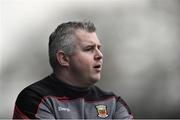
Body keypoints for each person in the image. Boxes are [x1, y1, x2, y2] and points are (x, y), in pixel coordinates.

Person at [13, 21, 133, 119]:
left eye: (99, 48)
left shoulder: (113, 102)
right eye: (89, 49)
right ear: (64, 59)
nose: (100, 55)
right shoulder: (34, 99)